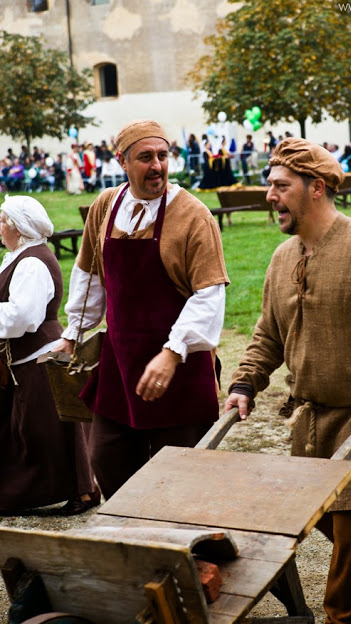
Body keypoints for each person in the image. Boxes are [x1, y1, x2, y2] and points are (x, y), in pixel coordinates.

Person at [223, 138, 351, 624]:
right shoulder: (280, 259)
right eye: (269, 185)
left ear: (316, 188)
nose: (270, 196)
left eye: (280, 186)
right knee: (325, 519)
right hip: (310, 415)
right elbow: (269, 332)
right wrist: (245, 381)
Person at [55, 119, 229, 500]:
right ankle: (135, 545)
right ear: (122, 161)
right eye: (146, 157)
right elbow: (90, 274)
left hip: (179, 367)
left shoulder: (193, 215)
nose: (157, 166)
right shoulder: (106, 205)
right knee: (108, 460)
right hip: (120, 362)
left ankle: (190, 553)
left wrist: (172, 352)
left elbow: (210, 295)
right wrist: (73, 333)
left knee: (181, 477)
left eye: (163, 156)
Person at [0, 195, 99, 516]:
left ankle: (82, 491)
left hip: (40, 358)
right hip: (25, 360)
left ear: (15, 226)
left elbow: (23, 317)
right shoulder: (20, 257)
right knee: (33, 431)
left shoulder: (32, 262)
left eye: (2, 220)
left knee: (48, 431)